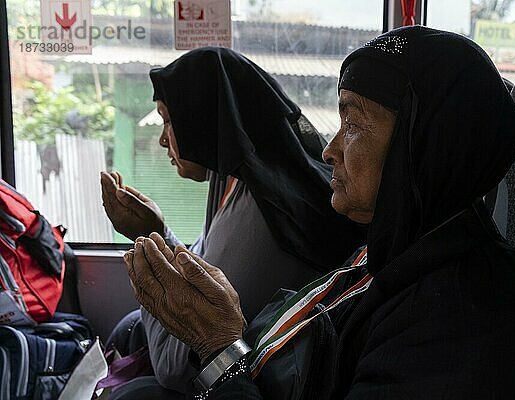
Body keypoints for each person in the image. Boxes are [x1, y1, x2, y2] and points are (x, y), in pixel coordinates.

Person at [125, 27, 515, 399]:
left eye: (354, 123)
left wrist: (220, 348)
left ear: (419, 149)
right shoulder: (400, 248)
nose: (329, 149)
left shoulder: (461, 326)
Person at [101, 47, 365, 397]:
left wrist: (148, 240)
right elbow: (203, 264)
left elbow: (173, 366)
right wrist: (159, 233)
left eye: (168, 119)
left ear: (201, 117)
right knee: (128, 329)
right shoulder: (237, 179)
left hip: (236, 374)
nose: (164, 138)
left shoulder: (263, 210)